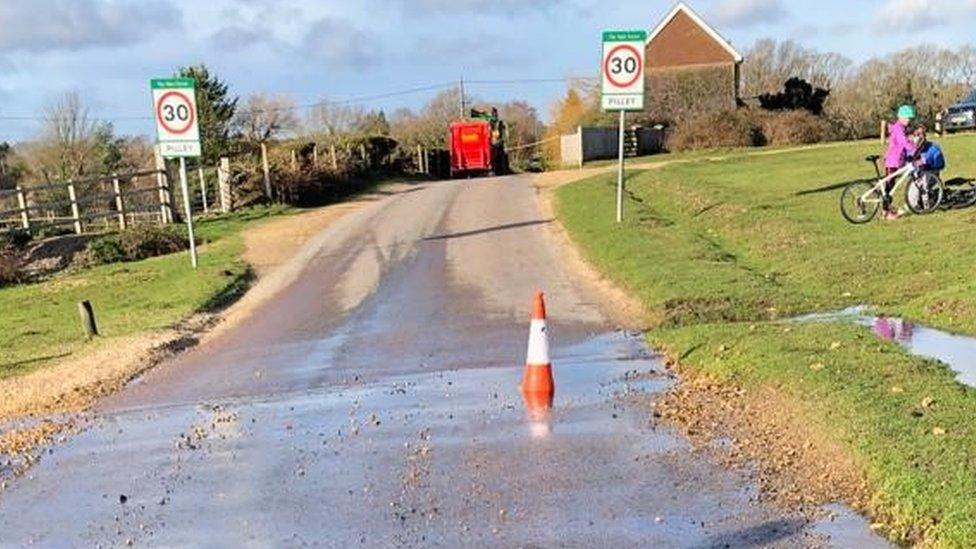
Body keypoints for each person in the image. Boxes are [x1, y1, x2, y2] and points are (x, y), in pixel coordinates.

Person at [882, 105, 918, 220]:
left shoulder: (901, 128)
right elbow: (903, 143)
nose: (909, 120)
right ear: (901, 117)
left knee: (890, 186)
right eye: (907, 118)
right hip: (892, 161)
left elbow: (904, 140)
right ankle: (886, 212)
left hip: (897, 160)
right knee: (889, 187)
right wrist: (914, 147)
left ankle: (886, 209)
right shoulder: (898, 128)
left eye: (910, 118)